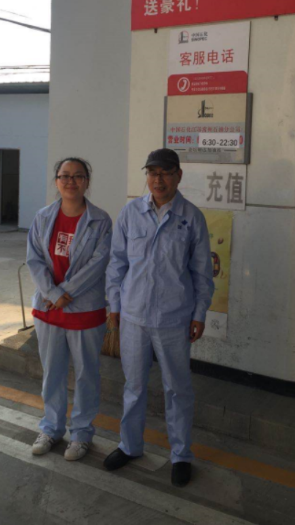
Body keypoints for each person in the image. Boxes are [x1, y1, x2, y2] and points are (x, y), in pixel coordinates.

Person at [104, 148, 214, 487]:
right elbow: (117, 263)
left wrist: (199, 314)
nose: (158, 179)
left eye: (165, 172)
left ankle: (180, 455)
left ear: (178, 175)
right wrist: (114, 307)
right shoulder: (130, 213)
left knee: (178, 389)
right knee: (134, 387)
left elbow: (202, 273)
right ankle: (130, 446)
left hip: (174, 318)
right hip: (134, 316)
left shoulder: (191, 217)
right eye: (152, 172)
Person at [27, 157, 112, 461]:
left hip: (84, 309)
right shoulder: (42, 217)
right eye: (65, 176)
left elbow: (98, 263)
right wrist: (53, 293)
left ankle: (81, 434)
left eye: (78, 176)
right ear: (56, 181)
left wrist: (66, 293)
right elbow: (34, 259)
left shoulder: (100, 221)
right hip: (49, 308)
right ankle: (51, 428)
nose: (71, 182)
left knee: (87, 375)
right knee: (53, 373)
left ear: (87, 181)